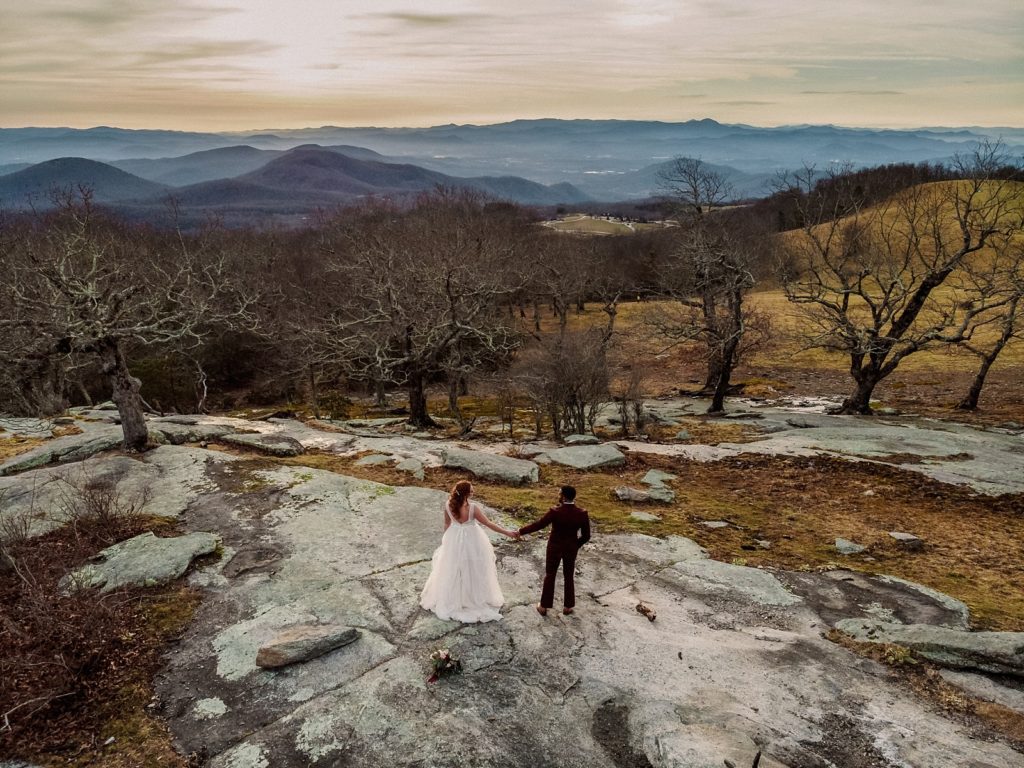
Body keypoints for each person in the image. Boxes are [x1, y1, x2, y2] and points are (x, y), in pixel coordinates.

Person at [419, 480, 519, 623]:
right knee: (474, 567)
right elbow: (488, 524)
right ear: (466, 494)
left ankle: (456, 598)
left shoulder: (448, 505)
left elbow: (447, 524)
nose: (474, 492)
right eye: (471, 491)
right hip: (472, 539)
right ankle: (472, 598)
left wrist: (446, 542)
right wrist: (507, 532)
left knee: (453, 568)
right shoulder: (473, 508)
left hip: (453, 537)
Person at [518, 485, 591, 616]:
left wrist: (521, 531)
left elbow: (539, 525)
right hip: (571, 548)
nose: (558, 495)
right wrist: (575, 545)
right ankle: (568, 607)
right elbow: (586, 536)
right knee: (569, 575)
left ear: (563, 496)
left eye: (559, 493)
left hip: (554, 547)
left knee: (550, 574)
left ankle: (544, 606)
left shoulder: (555, 512)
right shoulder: (582, 513)